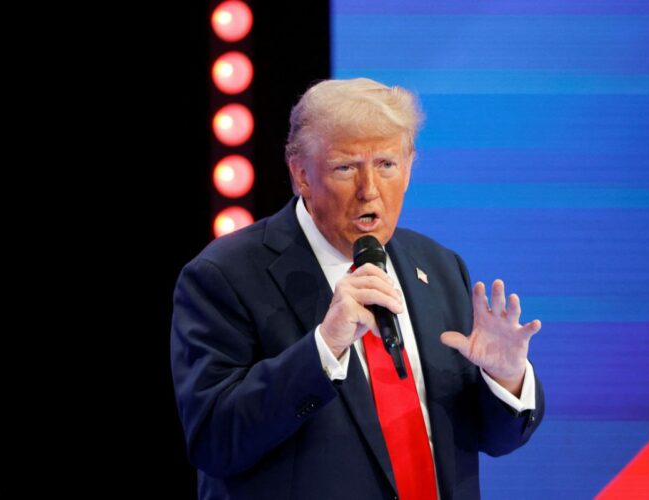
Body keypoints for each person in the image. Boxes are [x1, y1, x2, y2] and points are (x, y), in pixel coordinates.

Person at [171, 78, 544, 500]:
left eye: (386, 164)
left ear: (409, 167)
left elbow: (493, 438)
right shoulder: (224, 276)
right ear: (301, 174)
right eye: (346, 168)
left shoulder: (438, 267)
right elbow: (214, 440)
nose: (370, 190)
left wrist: (505, 378)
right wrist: (324, 349)